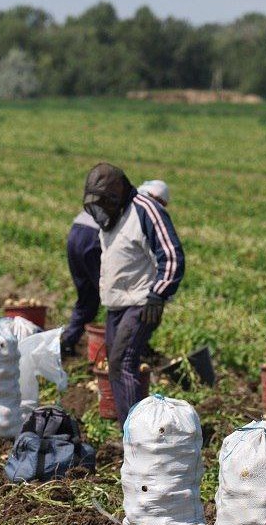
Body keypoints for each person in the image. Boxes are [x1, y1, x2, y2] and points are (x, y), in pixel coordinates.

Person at [82, 163, 185, 425]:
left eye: (104, 204)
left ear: (115, 197)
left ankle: (134, 434)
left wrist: (158, 294)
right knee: (116, 367)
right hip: (117, 304)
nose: (100, 211)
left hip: (141, 303)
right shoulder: (112, 218)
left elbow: (171, 255)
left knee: (122, 362)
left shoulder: (146, 210)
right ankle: (135, 430)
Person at [60, 208, 102, 357]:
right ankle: (121, 349)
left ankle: (67, 340)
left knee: (87, 296)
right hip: (95, 236)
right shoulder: (140, 207)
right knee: (113, 296)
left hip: (76, 231)